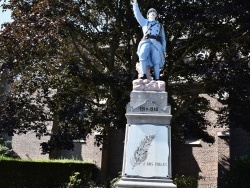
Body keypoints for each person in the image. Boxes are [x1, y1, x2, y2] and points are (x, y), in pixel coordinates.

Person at [131, 0, 166, 80]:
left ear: (156, 15)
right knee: (142, 55)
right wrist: (135, 4)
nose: (153, 13)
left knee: (156, 61)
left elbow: (163, 39)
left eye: (154, 12)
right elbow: (137, 15)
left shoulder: (160, 25)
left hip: (156, 43)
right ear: (148, 15)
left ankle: (157, 78)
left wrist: (164, 49)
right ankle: (143, 75)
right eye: (151, 12)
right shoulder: (144, 22)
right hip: (146, 41)